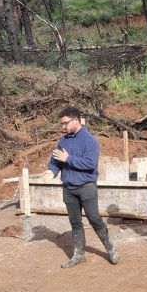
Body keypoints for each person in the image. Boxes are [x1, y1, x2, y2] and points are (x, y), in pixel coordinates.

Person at [43, 106, 119, 268]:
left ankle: (111, 248)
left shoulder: (89, 140)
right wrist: (52, 171)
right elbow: (56, 160)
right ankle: (79, 254)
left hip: (86, 186)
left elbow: (90, 164)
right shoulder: (63, 141)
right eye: (62, 124)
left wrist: (68, 159)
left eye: (65, 123)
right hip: (69, 188)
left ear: (75, 120)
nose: (63, 127)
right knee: (75, 222)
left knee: (94, 219)